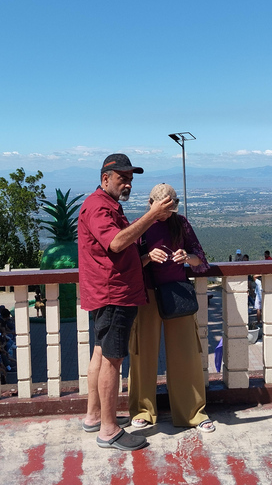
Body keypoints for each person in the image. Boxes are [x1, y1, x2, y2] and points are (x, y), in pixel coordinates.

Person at [79, 153, 175, 452]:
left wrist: (144, 257)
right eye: (123, 179)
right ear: (105, 178)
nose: (128, 184)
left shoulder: (109, 206)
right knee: (112, 359)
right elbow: (117, 243)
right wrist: (152, 216)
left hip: (110, 291)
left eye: (131, 180)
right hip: (113, 294)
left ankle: (95, 416)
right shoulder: (98, 207)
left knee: (100, 352)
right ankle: (108, 430)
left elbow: (119, 250)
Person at [128, 183, 214, 433]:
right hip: (146, 296)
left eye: (170, 208)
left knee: (185, 355)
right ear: (151, 204)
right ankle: (142, 411)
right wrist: (147, 257)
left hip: (177, 295)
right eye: (163, 208)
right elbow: (126, 265)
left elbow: (201, 260)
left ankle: (193, 413)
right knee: (143, 355)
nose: (167, 214)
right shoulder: (139, 225)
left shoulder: (181, 223)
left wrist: (187, 257)